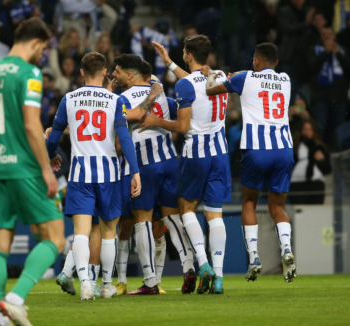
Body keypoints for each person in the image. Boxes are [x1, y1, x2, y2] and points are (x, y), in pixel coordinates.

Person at [0, 17, 66, 326]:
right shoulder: (29, 72)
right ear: (35, 42)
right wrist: (46, 169)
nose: (42, 55)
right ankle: (15, 299)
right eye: (42, 48)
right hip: (24, 167)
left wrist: (0, 153)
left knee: (0, 243)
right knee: (55, 239)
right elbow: (31, 124)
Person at [46, 51, 141, 300]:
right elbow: (124, 138)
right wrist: (135, 171)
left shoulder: (69, 99)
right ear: (104, 72)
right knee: (109, 232)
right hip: (109, 175)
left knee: (80, 232)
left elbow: (53, 137)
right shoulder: (115, 100)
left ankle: (86, 284)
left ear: (81, 73)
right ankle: (107, 285)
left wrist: (52, 155)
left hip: (80, 174)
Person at [202, 42, 297, 283]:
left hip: (257, 149)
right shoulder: (286, 79)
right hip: (284, 149)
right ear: (276, 63)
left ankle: (254, 256)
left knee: (249, 203)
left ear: (255, 60)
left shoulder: (244, 78)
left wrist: (211, 75)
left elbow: (211, 90)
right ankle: (286, 249)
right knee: (278, 208)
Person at [144, 35, 230, 294]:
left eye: (183, 52)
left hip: (197, 152)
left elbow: (182, 127)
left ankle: (203, 265)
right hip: (221, 152)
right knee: (215, 214)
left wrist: (155, 121)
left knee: (187, 208)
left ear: (189, 55)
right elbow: (195, 81)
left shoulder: (184, 86)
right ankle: (220, 276)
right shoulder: (220, 75)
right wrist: (169, 63)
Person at [112, 55, 193, 295]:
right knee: (172, 219)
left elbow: (134, 117)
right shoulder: (162, 94)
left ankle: (149, 281)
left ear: (130, 74)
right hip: (170, 162)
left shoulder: (122, 99)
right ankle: (188, 265)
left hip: (144, 166)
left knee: (143, 222)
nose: (114, 75)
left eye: (117, 71)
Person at [289, 119, 330, 205]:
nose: (307, 132)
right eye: (305, 129)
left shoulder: (320, 147)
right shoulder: (294, 145)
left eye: (309, 129)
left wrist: (321, 160)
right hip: (297, 183)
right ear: (300, 131)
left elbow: (327, 170)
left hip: (315, 183)